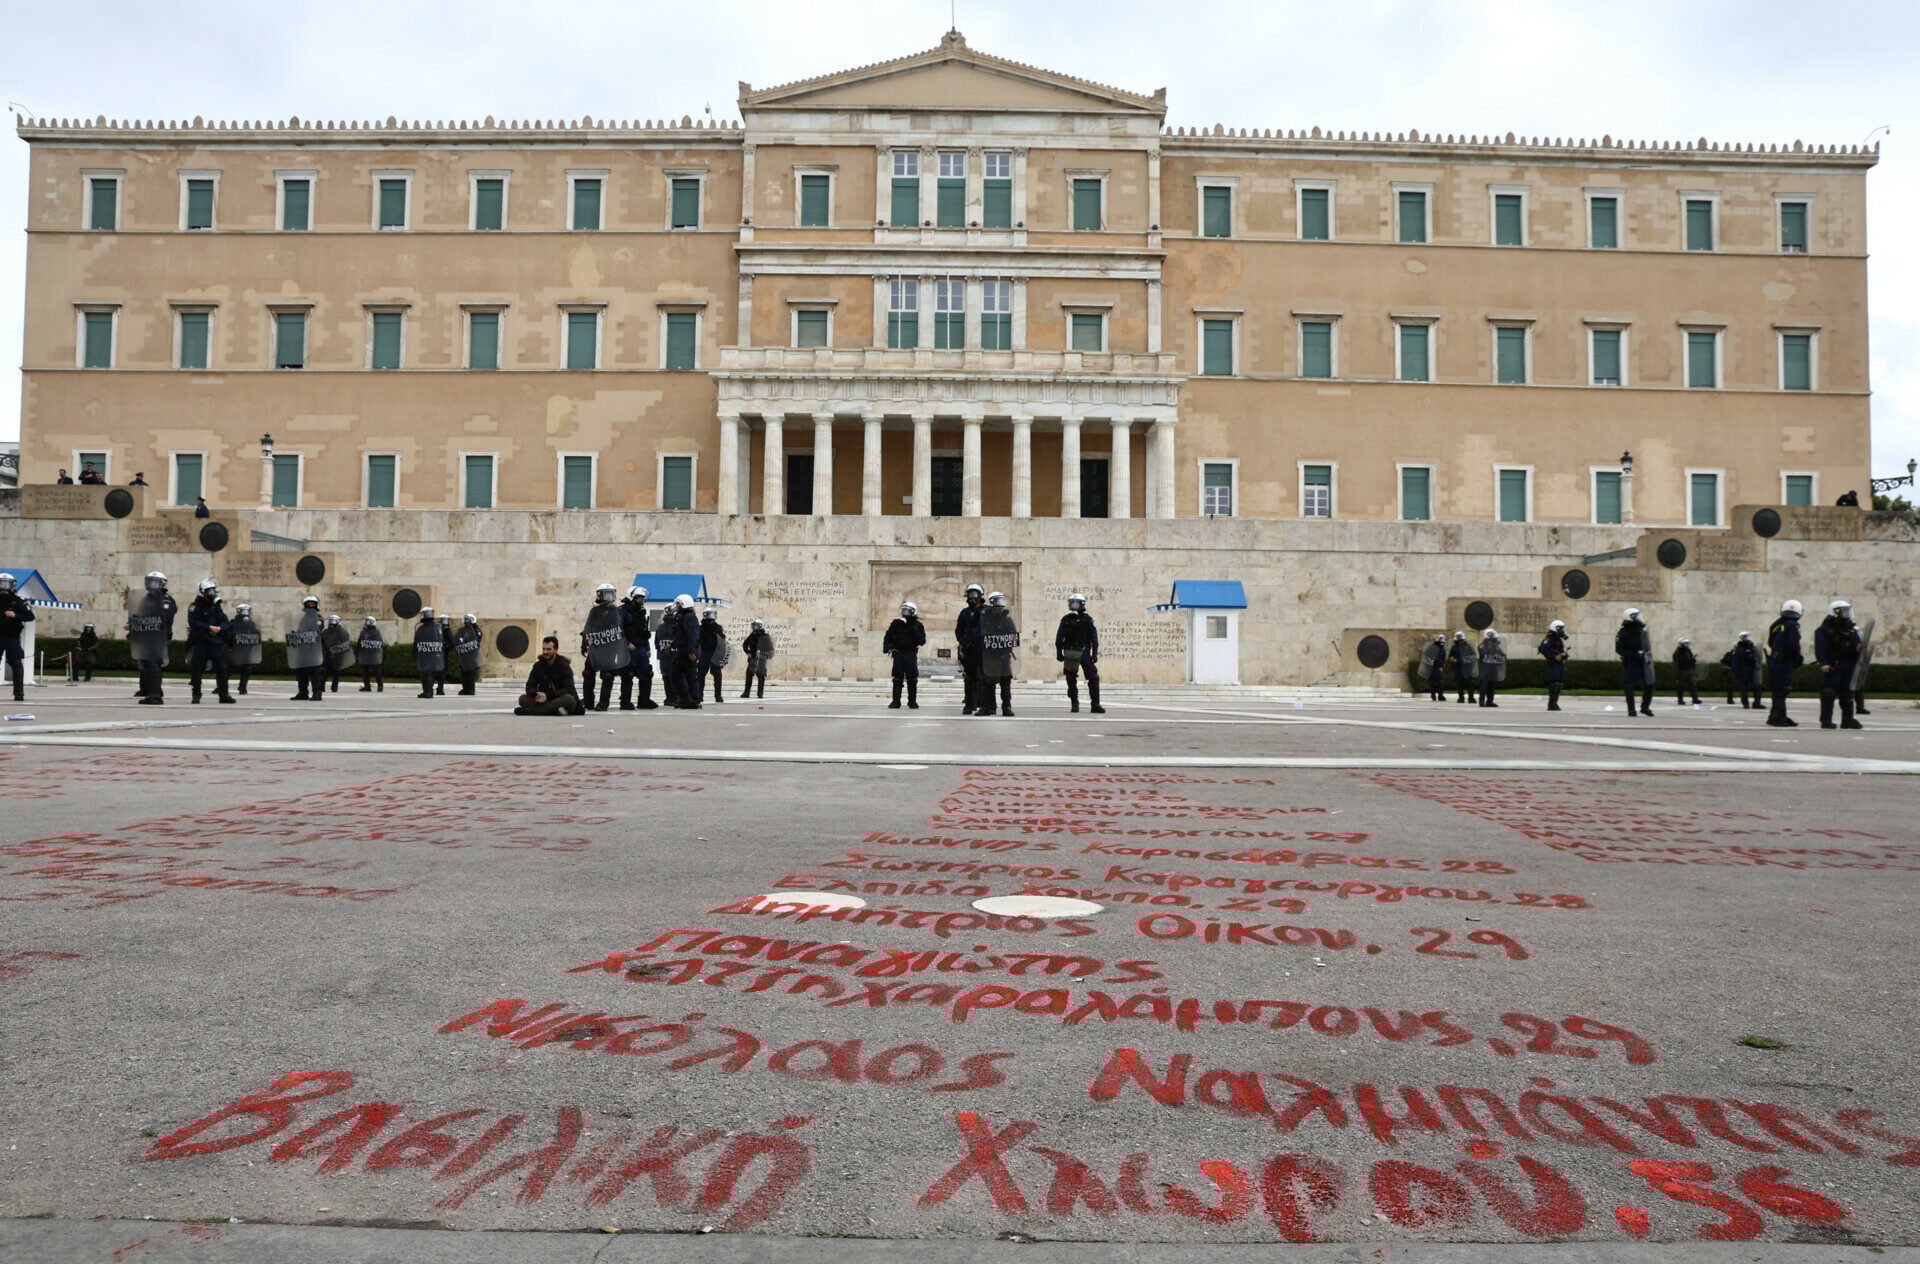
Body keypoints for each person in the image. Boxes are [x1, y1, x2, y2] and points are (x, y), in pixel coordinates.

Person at [127, 571, 175, 705]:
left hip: (157, 637)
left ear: (163, 583)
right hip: (146, 637)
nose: (152, 584)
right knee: (148, 664)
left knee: (152, 663)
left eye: (156, 581)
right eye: (150, 581)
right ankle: (153, 692)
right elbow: (140, 615)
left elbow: (166, 617)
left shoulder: (165, 599)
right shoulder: (146, 599)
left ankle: (155, 696)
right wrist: (133, 626)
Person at [184, 578, 235, 705]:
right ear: (202, 592)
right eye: (209, 591)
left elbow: (225, 621)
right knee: (197, 668)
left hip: (215, 641)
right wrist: (209, 627)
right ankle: (196, 695)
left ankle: (224, 694)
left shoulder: (216, 606)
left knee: (222, 668)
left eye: (213, 590)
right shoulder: (194, 606)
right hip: (201, 641)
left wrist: (220, 628)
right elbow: (193, 622)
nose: (212, 593)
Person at [1815, 599, 1864, 730]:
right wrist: (1823, 663)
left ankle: (1848, 720)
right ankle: (1826, 721)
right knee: (1828, 693)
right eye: (1844, 611)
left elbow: (1856, 645)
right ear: (1835, 613)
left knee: (1848, 695)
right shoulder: (1824, 630)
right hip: (1833, 666)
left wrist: (1858, 648)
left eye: (1848, 611)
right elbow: (1820, 648)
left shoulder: (1851, 630)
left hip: (1848, 666)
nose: (1847, 614)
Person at [580, 583, 630, 712]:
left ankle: (603, 703)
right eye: (606, 594)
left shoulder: (615, 611)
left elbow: (620, 630)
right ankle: (588, 701)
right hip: (595, 648)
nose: (609, 597)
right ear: (599, 595)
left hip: (608, 649)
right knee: (588, 673)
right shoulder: (594, 611)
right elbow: (587, 628)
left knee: (608, 675)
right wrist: (584, 644)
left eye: (611, 594)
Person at [1056, 593, 1104, 714]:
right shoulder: (1066, 619)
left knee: (1093, 677)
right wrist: (1059, 652)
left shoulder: (1087, 619)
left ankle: (1095, 704)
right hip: (1071, 651)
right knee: (1071, 679)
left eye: (1076, 603)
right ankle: (1074, 704)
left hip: (1084, 651)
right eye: (1072, 602)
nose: (1074, 605)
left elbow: (1094, 638)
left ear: (1082, 604)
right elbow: (1059, 637)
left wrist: (1095, 653)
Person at [515, 636, 584, 716]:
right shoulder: (538, 666)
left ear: (556, 650)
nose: (545, 652)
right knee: (523, 699)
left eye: (548, 649)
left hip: (559, 698)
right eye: (543, 649)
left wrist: (548, 696)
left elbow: (568, 689)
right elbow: (530, 685)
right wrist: (536, 694)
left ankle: (532, 712)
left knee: (569, 699)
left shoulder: (564, 666)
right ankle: (554, 710)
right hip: (544, 700)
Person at [979, 591, 1019, 717]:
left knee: (1005, 682)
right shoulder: (985, 620)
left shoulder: (1008, 621)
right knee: (988, 683)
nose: (998, 609)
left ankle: (1006, 707)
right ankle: (988, 707)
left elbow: (1013, 636)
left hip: (1003, 656)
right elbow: (979, 635)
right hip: (990, 656)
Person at [1766, 599, 1804, 728]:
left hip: (1774, 660)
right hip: (1784, 662)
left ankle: (1777, 715)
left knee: (1778, 689)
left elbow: (1771, 642)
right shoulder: (1793, 625)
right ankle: (1778, 718)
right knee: (1782, 690)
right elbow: (1793, 645)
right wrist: (1797, 659)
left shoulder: (1776, 624)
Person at [619, 586, 657, 710]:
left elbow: (644, 631)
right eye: (639, 598)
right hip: (628, 648)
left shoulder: (641, 612)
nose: (641, 601)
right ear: (632, 598)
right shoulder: (622, 611)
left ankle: (644, 701)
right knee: (628, 675)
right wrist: (626, 643)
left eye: (642, 599)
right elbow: (619, 631)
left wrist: (647, 648)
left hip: (640, 648)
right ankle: (625, 702)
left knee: (647, 673)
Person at [0, 573, 35, 703]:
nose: (3, 587)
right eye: (1, 583)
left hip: (11, 636)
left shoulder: (18, 601)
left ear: (12, 585)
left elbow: (30, 616)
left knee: (16, 663)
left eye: (6, 583)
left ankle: (19, 693)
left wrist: (15, 615)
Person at [884, 601, 926, 709]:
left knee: (912, 678)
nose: (905, 613)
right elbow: (888, 635)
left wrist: (914, 630)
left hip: (910, 654)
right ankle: (896, 701)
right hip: (898, 653)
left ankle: (912, 702)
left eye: (907, 611)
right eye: (903, 610)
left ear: (913, 612)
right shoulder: (896, 623)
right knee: (897, 678)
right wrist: (886, 646)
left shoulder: (918, 625)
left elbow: (921, 641)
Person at [286, 595, 326, 702]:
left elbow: (318, 630)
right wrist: (295, 636)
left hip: (313, 649)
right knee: (301, 671)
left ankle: (317, 693)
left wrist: (304, 633)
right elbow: (300, 630)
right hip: (303, 649)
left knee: (315, 672)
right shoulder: (302, 618)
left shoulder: (318, 618)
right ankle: (303, 693)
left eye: (313, 604)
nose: (311, 606)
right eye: (309, 604)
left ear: (316, 605)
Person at [1616, 608, 1654, 717]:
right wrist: (1633, 654)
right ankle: (1631, 710)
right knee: (1629, 686)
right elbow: (1619, 649)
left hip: (1644, 662)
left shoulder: (1642, 630)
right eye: (1637, 616)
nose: (1640, 618)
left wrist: (1647, 654)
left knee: (1650, 684)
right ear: (1631, 617)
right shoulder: (1623, 632)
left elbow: (1647, 646)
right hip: (1631, 662)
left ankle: (1645, 707)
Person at [955, 583, 986, 716]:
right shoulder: (964, 613)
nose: (972, 596)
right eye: (970, 594)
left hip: (983, 650)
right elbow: (958, 630)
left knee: (985, 679)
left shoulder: (986, 611)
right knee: (969, 679)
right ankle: (969, 704)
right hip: (969, 650)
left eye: (975, 594)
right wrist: (963, 642)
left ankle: (985, 705)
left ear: (980, 596)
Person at [670, 594, 703, 709]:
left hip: (686, 651)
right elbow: (681, 635)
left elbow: (692, 636)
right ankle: (693, 700)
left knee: (676, 674)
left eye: (679, 604)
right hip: (684, 650)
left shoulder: (688, 617)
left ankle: (687, 699)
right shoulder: (683, 616)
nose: (677, 606)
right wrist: (671, 645)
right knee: (690, 675)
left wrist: (691, 651)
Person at [413, 607, 446, 699]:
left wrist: (414, 652)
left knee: (426, 673)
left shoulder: (421, 629)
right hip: (436, 654)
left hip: (424, 655)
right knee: (431, 673)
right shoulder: (438, 628)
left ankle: (427, 692)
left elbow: (417, 642)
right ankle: (428, 691)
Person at [652, 600, 681, 707]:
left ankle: (669, 698)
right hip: (675, 657)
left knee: (666, 678)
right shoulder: (678, 627)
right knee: (676, 678)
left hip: (664, 658)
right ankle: (676, 698)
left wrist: (663, 649)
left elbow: (656, 644)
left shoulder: (660, 627)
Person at [228, 603, 262, 695]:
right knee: (228, 668)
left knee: (246, 668)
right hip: (236, 649)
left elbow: (255, 635)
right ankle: (221, 686)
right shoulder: (233, 622)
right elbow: (228, 635)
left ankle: (242, 687)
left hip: (246, 649)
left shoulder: (251, 623)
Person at [698, 607, 729, 704]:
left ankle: (718, 695)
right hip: (704, 653)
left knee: (717, 675)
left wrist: (723, 656)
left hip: (715, 653)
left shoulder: (718, 627)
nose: (711, 618)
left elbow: (722, 641)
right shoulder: (700, 628)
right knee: (700, 675)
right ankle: (699, 695)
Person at [1537, 620, 1569, 711]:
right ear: (1556, 628)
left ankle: (1555, 703)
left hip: (1559, 664)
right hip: (1553, 664)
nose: (1563, 630)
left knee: (1559, 683)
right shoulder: (1549, 639)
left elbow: (1561, 651)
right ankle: (1552, 704)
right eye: (1561, 628)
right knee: (1554, 683)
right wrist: (1554, 657)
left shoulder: (1558, 639)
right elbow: (1543, 649)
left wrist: (1564, 657)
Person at [1723, 632, 1761, 709]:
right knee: (1745, 688)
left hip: (1750, 670)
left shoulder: (1751, 647)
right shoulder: (1740, 648)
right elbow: (1735, 661)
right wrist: (1735, 672)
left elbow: (1757, 657)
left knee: (1754, 687)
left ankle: (1754, 703)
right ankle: (1747, 703)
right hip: (1744, 670)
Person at [740, 618, 774, 699]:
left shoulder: (765, 636)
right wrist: (748, 652)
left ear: (759, 626)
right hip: (753, 658)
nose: (754, 627)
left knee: (761, 675)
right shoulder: (752, 635)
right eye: (753, 625)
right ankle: (746, 693)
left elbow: (770, 649)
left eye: (755, 625)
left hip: (761, 659)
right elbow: (745, 644)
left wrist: (763, 654)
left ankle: (760, 693)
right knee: (749, 675)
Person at [452, 613, 483, 696]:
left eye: (468, 619)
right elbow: (457, 639)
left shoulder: (477, 630)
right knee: (463, 672)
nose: (466, 621)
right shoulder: (463, 630)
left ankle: (471, 690)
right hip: (463, 655)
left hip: (472, 655)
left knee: (470, 672)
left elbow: (476, 640)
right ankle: (465, 689)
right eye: (465, 619)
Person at [321, 614, 352, 693]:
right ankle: (321, 687)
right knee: (324, 671)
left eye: (334, 620)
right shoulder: (325, 632)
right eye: (331, 620)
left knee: (336, 672)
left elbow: (345, 641)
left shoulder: (342, 632)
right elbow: (322, 641)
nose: (332, 622)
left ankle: (334, 687)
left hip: (337, 655)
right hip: (327, 654)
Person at [1477, 629, 1507, 707]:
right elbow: (1483, 653)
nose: (1493, 641)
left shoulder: (1497, 647)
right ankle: (1481, 701)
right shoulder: (1482, 646)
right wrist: (1491, 647)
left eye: (1494, 639)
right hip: (1485, 669)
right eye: (1492, 639)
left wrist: (1501, 656)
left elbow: (1502, 655)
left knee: (1492, 686)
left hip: (1493, 669)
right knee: (1484, 686)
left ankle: (1490, 701)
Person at [356, 616, 385, 692]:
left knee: (374, 672)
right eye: (366, 621)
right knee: (368, 672)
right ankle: (369, 686)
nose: (367, 623)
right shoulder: (366, 633)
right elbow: (359, 644)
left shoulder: (375, 633)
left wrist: (358, 653)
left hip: (371, 656)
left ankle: (378, 686)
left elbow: (380, 644)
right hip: (368, 656)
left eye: (368, 622)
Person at [1447, 631, 1476, 705]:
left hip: (1467, 668)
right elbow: (1450, 657)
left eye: (1462, 640)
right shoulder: (1454, 648)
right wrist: (1452, 659)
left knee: (1470, 684)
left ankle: (1471, 698)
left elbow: (1473, 656)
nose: (1461, 641)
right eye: (1459, 640)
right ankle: (1461, 698)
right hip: (1458, 668)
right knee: (1459, 684)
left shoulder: (1468, 647)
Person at [1672, 638, 1702, 706]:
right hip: (1682, 671)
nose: (1687, 645)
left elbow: (1691, 660)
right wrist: (1691, 659)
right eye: (1685, 643)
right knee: (1681, 686)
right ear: (1681, 644)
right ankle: (1680, 700)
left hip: (1690, 670)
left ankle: (1695, 699)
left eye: (1687, 643)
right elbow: (1681, 661)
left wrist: (1693, 661)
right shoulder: (1678, 652)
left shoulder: (1688, 651)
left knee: (1693, 685)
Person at [1419, 634, 1448, 703]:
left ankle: (1440, 696)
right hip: (1431, 668)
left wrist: (1441, 666)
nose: (1442, 644)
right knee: (1432, 682)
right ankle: (1433, 695)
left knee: (1440, 682)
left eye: (1443, 643)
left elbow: (1443, 659)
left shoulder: (1442, 650)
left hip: (1438, 668)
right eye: (1441, 642)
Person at [436, 617, 453, 694]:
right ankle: (440, 689)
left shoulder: (436, 630)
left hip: (438, 654)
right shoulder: (447, 631)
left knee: (439, 672)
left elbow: (452, 643)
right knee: (441, 672)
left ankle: (439, 688)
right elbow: (453, 643)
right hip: (442, 654)